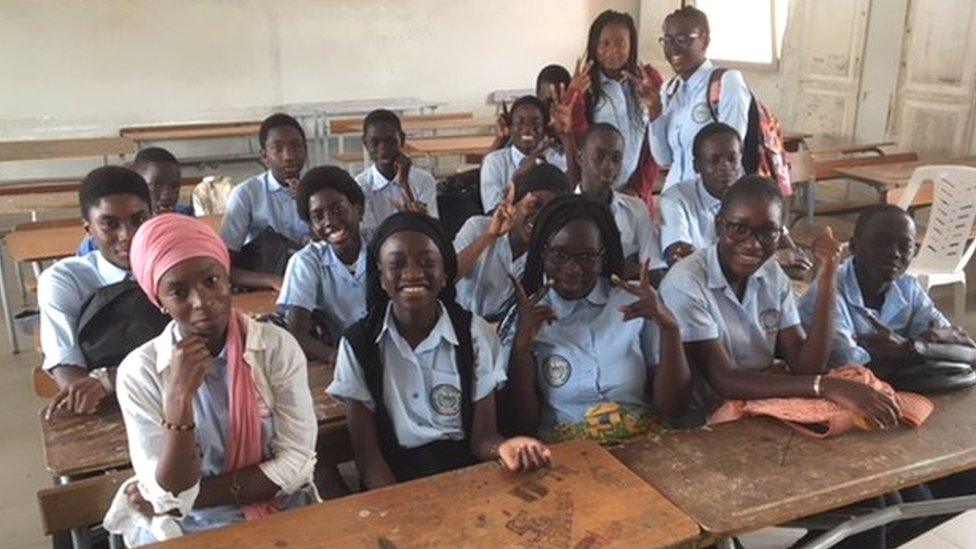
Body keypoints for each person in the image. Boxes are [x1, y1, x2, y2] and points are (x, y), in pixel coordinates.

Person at [108, 214, 317, 545]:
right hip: (190, 528)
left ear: (228, 279)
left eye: (212, 280)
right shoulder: (141, 373)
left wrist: (182, 498)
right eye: (178, 291)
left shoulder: (275, 348)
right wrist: (178, 400)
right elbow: (170, 494)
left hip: (280, 510)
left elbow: (296, 464)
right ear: (159, 300)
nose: (202, 302)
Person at [327, 212, 551, 487]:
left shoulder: (474, 334)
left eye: (427, 263)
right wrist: (400, 513)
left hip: (466, 473)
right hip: (391, 478)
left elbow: (483, 438)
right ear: (382, 276)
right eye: (396, 264)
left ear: (445, 274)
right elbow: (368, 460)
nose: (412, 274)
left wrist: (504, 447)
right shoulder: (358, 344)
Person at [658, 176, 899, 428]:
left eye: (768, 232)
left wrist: (827, 276)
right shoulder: (687, 281)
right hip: (704, 416)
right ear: (720, 227)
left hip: (759, 400)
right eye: (739, 229)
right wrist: (824, 385)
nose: (753, 244)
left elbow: (806, 364)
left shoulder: (771, 274)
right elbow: (723, 379)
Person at [502, 195, 691, 441]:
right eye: (559, 255)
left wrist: (669, 328)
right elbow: (521, 426)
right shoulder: (529, 314)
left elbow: (673, 409)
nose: (573, 268)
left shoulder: (633, 299)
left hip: (640, 440)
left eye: (587, 256)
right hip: (565, 449)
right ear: (542, 252)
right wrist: (522, 348)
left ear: (603, 256)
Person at [799, 205, 974, 368]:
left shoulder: (907, 287)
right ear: (853, 246)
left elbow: (968, 352)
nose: (894, 253)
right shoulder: (827, 291)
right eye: (881, 242)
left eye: (905, 246)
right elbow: (850, 367)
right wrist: (925, 349)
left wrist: (910, 347)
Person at [39, 166, 152, 416]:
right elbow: (68, 369)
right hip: (112, 410)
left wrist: (107, 380)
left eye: (139, 220)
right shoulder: (65, 280)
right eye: (109, 224)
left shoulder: (175, 269)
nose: (127, 235)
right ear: (88, 228)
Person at [660, 123, 811, 272]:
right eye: (714, 160)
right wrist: (773, 258)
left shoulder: (754, 193)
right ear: (697, 165)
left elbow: (788, 249)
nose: (725, 167)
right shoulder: (676, 200)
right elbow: (681, 260)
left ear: (741, 160)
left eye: (732, 159)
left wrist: (789, 254)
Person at [565, 10, 661, 210]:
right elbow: (581, 141)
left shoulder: (648, 80)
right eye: (605, 44)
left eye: (620, 43)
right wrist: (575, 96)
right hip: (598, 192)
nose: (612, 51)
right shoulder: (585, 86)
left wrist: (639, 187)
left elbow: (656, 141)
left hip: (637, 193)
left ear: (631, 45)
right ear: (594, 45)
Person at [648, 5, 752, 191]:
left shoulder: (725, 82)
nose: (673, 49)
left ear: (704, 42)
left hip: (712, 201)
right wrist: (654, 112)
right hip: (676, 197)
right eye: (667, 41)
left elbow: (731, 155)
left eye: (682, 40)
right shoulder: (669, 89)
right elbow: (664, 159)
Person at [454, 163, 569, 321]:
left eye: (550, 211)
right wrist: (490, 236)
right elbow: (446, 279)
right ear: (515, 202)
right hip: (462, 327)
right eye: (535, 205)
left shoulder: (550, 253)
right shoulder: (478, 227)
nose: (540, 216)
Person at [277, 166, 369, 362]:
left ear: (358, 210)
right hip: (337, 359)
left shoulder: (382, 250)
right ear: (311, 226)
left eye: (339, 210)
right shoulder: (306, 262)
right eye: (318, 216)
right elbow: (296, 335)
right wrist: (339, 358)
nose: (330, 221)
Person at [220, 113, 310, 291]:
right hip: (265, 285)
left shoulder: (319, 192)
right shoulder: (246, 194)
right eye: (278, 148)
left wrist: (306, 204)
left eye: (296, 146)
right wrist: (271, 280)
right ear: (264, 156)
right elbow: (223, 266)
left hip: (311, 280)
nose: (288, 156)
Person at [575, 123, 665, 278]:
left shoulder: (636, 209)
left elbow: (651, 269)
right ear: (580, 157)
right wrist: (622, 269)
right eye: (600, 156)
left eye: (616, 158)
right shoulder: (562, 211)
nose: (608, 165)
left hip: (624, 296)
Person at [480, 95, 569, 213]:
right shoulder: (494, 162)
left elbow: (571, 194)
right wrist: (519, 176)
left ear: (545, 128)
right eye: (520, 122)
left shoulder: (556, 159)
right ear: (510, 127)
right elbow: (492, 212)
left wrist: (567, 135)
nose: (527, 128)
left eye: (536, 123)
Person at [355, 109, 439, 232]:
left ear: (402, 140)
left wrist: (404, 185)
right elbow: (370, 235)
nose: (383, 149)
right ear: (365, 143)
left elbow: (431, 230)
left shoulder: (424, 180)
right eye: (375, 142)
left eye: (390, 141)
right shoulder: (360, 185)